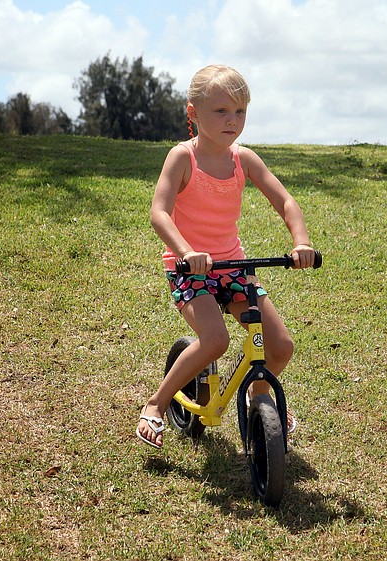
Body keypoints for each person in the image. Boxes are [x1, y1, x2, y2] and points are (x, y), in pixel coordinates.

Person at [137, 64, 317, 449]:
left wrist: (300, 241)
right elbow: (159, 213)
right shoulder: (182, 158)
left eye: (240, 112)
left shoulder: (244, 159)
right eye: (221, 111)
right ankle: (156, 402)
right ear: (193, 112)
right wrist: (186, 252)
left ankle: (257, 393)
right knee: (215, 340)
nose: (232, 120)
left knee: (281, 346)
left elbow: (285, 201)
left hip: (233, 267)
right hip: (190, 268)